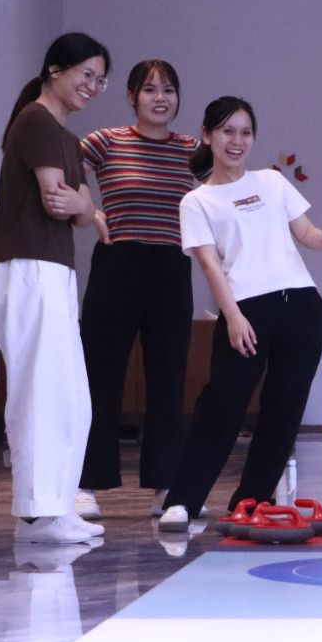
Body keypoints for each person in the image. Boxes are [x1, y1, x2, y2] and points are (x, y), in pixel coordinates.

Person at [155, 96, 322, 531]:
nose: (236, 141)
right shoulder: (197, 201)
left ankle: (253, 500)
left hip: (301, 305)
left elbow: (307, 234)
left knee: (284, 410)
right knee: (221, 404)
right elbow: (210, 266)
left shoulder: (272, 181)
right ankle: (183, 500)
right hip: (245, 309)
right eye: (227, 131)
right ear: (208, 135)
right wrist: (233, 316)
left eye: (245, 132)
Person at [0, 33, 112, 545]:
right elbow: (59, 201)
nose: (92, 86)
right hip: (29, 270)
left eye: (100, 80)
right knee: (45, 396)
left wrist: (85, 207)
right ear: (55, 70)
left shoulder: (65, 135)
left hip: (51, 272)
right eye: (86, 74)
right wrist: (86, 206)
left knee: (68, 397)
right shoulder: (36, 121)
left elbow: (79, 210)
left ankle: (54, 506)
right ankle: (41, 514)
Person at [74, 60, 199, 521]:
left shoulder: (192, 149)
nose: (160, 98)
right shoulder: (106, 141)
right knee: (100, 375)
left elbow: (224, 189)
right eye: (149, 90)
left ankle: (167, 487)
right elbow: (62, 166)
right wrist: (91, 212)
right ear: (131, 96)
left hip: (171, 267)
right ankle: (86, 484)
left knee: (168, 377)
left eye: (168, 89)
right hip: (117, 263)